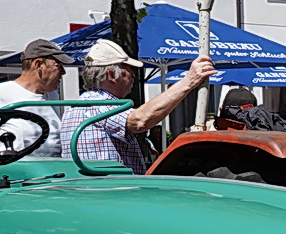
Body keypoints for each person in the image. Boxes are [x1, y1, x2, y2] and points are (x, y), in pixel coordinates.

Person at [61, 39, 213, 170]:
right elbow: (140, 121)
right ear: (111, 75)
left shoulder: (74, 108)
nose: (133, 74)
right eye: (127, 69)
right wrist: (189, 81)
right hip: (110, 193)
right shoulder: (98, 104)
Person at [0, 38, 71, 154]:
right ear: (38, 65)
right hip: (16, 169)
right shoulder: (1, 92)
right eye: (58, 66)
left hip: (51, 168)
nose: (63, 72)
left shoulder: (52, 95)